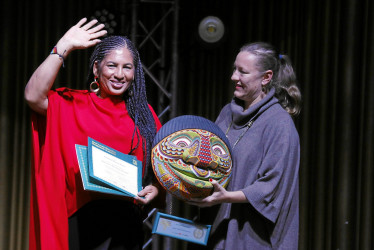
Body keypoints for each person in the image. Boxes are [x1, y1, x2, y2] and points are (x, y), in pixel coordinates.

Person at [24, 17, 163, 250]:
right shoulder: (72, 105)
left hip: (125, 226)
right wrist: (63, 46)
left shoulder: (144, 115)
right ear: (96, 68)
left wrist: (157, 188)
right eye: (112, 65)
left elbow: (162, 168)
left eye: (127, 67)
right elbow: (33, 96)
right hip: (80, 221)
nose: (120, 74)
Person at [189, 42, 301, 249]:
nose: (234, 77)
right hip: (215, 229)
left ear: (266, 77)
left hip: (251, 236)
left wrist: (225, 197)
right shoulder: (227, 113)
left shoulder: (279, 124)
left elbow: (271, 186)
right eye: (234, 69)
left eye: (243, 72)